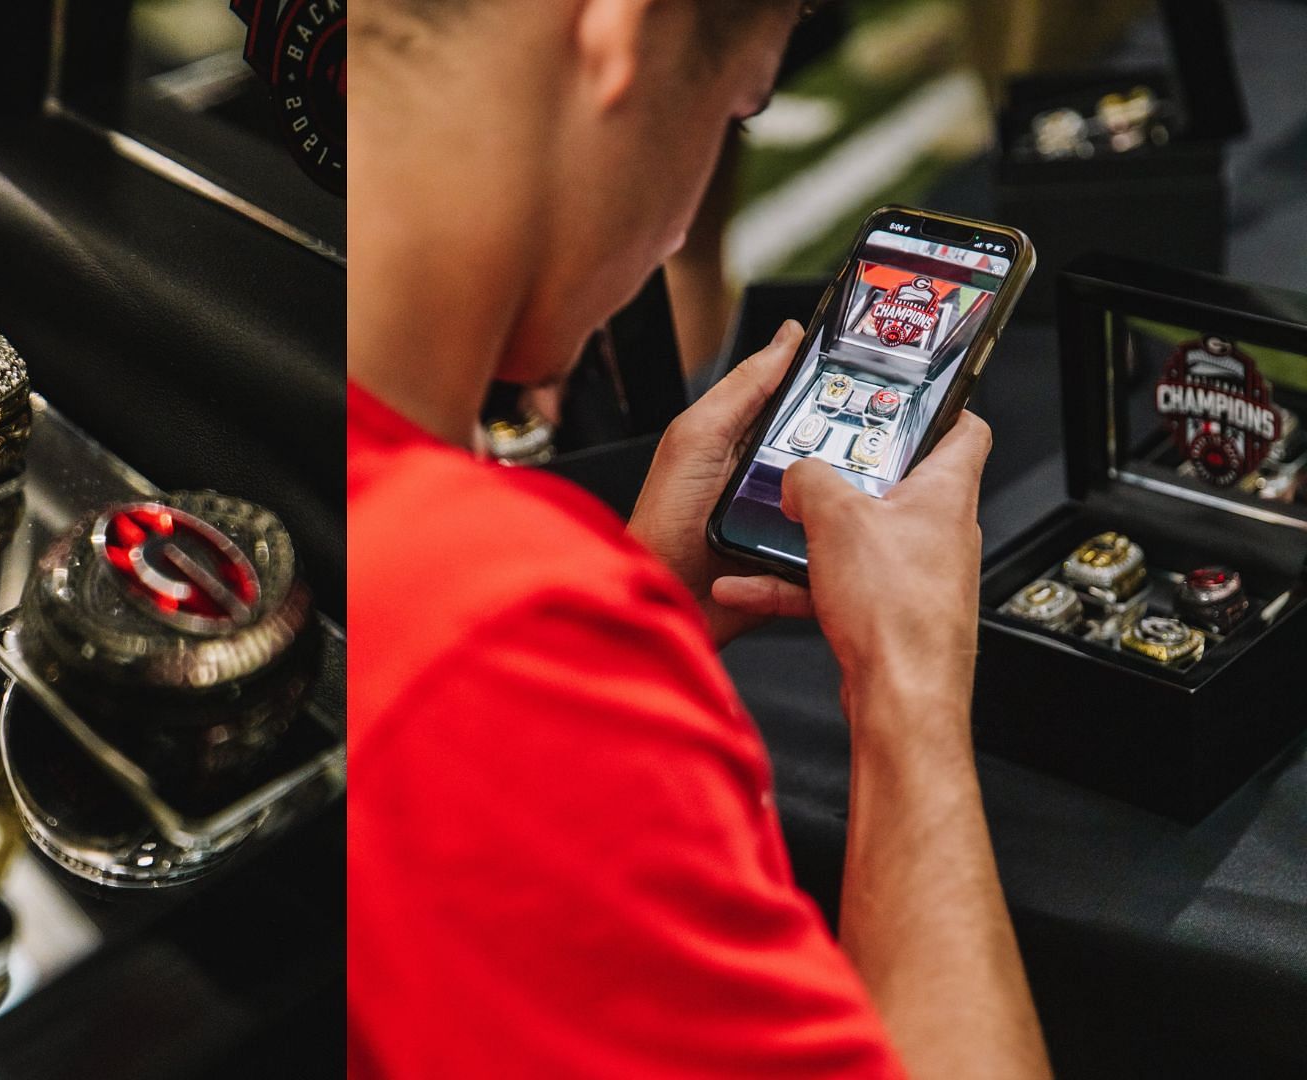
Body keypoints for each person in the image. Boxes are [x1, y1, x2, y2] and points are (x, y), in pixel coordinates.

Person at [347, 1, 1052, 1077]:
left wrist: (641, 601)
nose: (681, 232)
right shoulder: (496, 650)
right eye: (737, 110)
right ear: (619, 34)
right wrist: (909, 685)